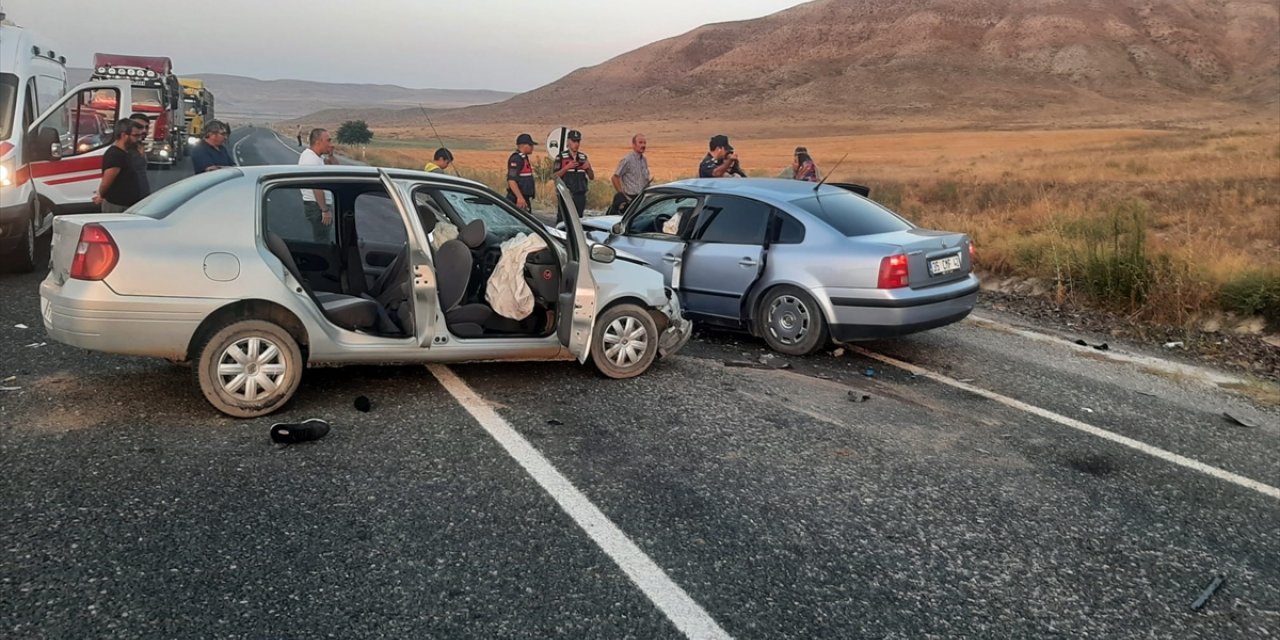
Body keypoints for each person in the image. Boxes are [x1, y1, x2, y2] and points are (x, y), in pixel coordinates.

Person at [92, 119, 145, 213]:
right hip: (118, 206)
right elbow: (106, 182)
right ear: (124, 135)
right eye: (136, 135)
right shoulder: (115, 155)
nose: (139, 138)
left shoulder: (128, 152)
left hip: (131, 205)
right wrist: (101, 195)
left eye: (141, 135)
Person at [299, 127, 338, 242]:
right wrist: (325, 210)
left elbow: (338, 169)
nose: (330, 144)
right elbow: (316, 186)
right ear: (318, 142)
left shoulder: (318, 158)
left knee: (323, 237)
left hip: (318, 205)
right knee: (322, 240)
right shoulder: (311, 159)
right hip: (317, 206)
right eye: (328, 140)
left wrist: (331, 155)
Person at [552, 130, 593, 220]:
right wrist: (567, 167)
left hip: (580, 194)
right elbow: (555, 176)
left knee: (578, 219)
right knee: (563, 218)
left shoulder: (583, 157)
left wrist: (588, 168)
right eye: (574, 141)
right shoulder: (561, 157)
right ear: (568, 141)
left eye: (578, 141)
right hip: (566, 195)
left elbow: (591, 177)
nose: (576, 144)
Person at [609, 133, 650, 216]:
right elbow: (615, 177)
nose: (643, 145)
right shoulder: (627, 160)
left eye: (644, 143)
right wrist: (622, 195)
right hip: (630, 200)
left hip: (641, 199)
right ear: (634, 145)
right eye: (640, 143)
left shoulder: (644, 160)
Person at [506, 133, 537, 212]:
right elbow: (511, 180)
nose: (532, 148)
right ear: (524, 145)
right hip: (517, 200)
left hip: (523, 199)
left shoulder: (524, 158)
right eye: (530, 145)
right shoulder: (516, 159)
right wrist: (519, 197)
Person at [128, 112, 152, 199]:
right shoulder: (123, 149)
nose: (144, 131)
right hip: (124, 201)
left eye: (146, 127)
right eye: (139, 127)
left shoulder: (140, 146)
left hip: (140, 199)